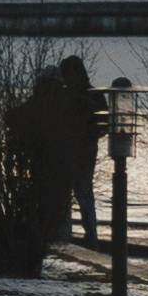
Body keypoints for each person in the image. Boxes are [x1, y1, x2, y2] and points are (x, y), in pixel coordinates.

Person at [45, 54, 106, 246]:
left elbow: (101, 126)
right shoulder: (90, 95)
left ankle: (85, 235)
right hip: (76, 151)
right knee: (79, 193)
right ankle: (82, 235)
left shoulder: (84, 96)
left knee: (79, 193)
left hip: (79, 152)